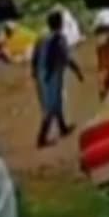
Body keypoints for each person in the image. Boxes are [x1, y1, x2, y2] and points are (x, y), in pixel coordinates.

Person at [33, 10, 84, 148]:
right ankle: (41, 139)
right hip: (51, 75)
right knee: (51, 106)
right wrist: (77, 71)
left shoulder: (42, 37)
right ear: (61, 23)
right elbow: (65, 57)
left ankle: (62, 128)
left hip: (41, 75)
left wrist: (36, 75)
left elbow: (35, 57)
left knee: (56, 103)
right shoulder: (59, 38)